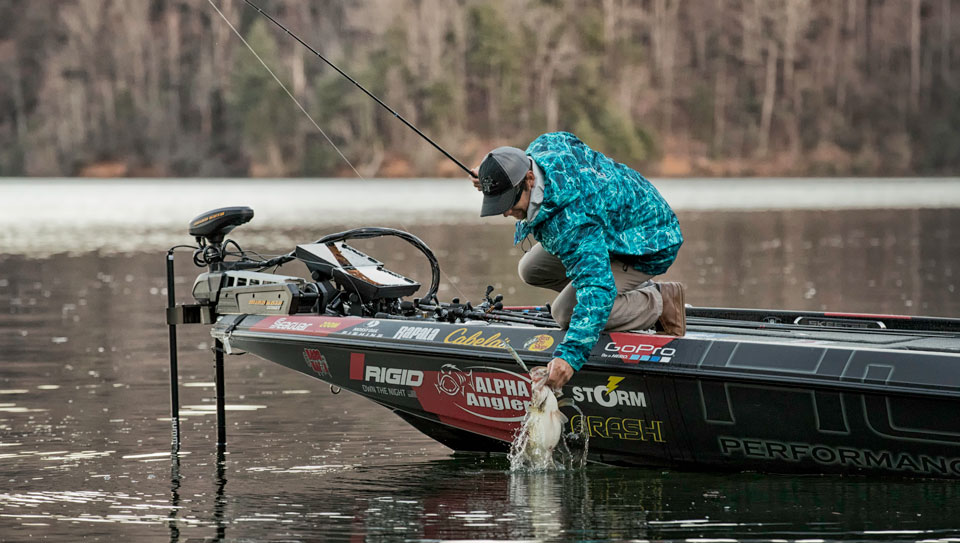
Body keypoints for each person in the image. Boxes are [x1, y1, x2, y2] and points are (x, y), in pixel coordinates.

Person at [471, 131, 685, 390]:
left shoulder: (573, 221)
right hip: (607, 228)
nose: (505, 212)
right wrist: (493, 179)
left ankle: (660, 302)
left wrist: (569, 356)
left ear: (529, 179)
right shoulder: (540, 150)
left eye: (507, 201)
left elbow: (596, 287)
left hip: (647, 243)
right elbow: (564, 140)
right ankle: (615, 288)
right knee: (530, 269)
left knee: (565, 313)